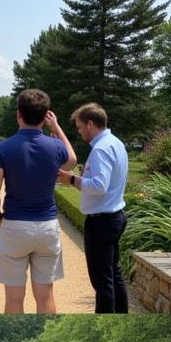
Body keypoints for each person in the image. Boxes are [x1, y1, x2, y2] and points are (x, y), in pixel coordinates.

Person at [0, 88, 76, 313]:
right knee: (45, 297)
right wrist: (56, 127)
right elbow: (71, 161)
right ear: (45, 116)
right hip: (47, 226)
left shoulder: (2, 149)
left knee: (14, 299)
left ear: (18, 114)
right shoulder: (54, 147)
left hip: (14, 225)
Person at [61, 103, 128, 313]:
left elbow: (99, 186)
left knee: (102, 282)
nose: (79, 132)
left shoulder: (101, 149)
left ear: (90, 124)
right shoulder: (115, 143)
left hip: (102, 222)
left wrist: (72, 180)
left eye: (80, 127)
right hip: (114, 216)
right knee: (113, 275)